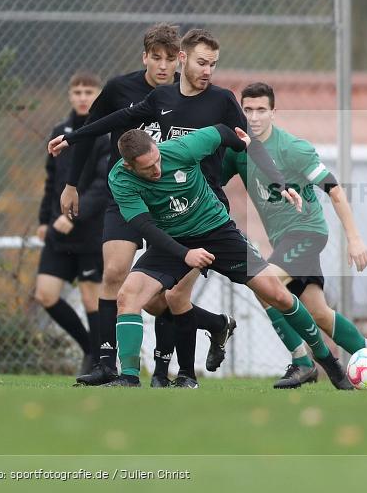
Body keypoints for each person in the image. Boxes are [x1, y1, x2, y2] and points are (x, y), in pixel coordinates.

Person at [50, 25, 233, 387]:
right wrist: (71, 182)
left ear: (179, 58)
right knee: (115, 273)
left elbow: (220, 143)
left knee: (165, 296)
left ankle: (168, 368)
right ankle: (107, 362)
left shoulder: (187, 93)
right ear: (144, 57)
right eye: (156, 58)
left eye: (170, 59)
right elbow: (97, 128)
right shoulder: (120, 89)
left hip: (171, 201)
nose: (164, 66)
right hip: (127, 197)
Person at [104, 125, 344, 388]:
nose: (157, 170)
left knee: (277, 294)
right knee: (128, 297)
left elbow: (225, 132)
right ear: (129, 166)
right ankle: (128, 378)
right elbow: (145, 226)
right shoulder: (120, 178)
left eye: (157, 160)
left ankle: (327, 360)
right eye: (148, 169)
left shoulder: (183, 148)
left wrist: (265, 166)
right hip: (171, 241)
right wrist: (185, 254)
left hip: (217, 231)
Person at [221, 83, 367, 389]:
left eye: (261, 109)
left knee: (263, 285)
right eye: (248, 110)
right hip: (284, 242)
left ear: (274, 112)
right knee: (319, 313)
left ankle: (302, 362)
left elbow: (335, 190)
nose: (255, 116)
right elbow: (212, 181)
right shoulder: (239, 150)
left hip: (307, 232)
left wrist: (354, 239)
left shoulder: (292, 149)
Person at [35, 71, 108, 375]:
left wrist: (71, 216)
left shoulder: (105, 134)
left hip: (91, 234)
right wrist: (44, 220)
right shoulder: (59, 131)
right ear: (70, 95)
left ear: (98, 95)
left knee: (92, 299)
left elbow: (103, 186)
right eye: (77, 92)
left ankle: (99, 361)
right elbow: (52, 182)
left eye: (88, 92)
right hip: (58, 234)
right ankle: (91, 349)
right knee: (46, 294)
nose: (82, 97)